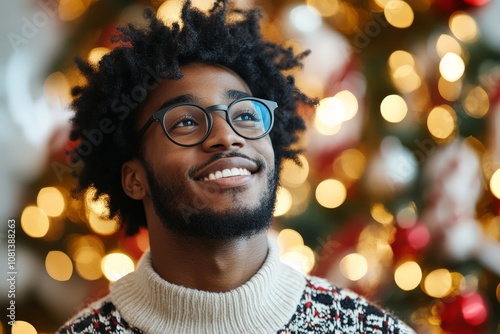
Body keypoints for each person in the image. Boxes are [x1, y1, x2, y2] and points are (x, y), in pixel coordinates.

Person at [57, 1, 416, 333]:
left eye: (245, 115)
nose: (227, 137)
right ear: (135, 179)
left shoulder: (365, 328)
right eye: (185, 122)